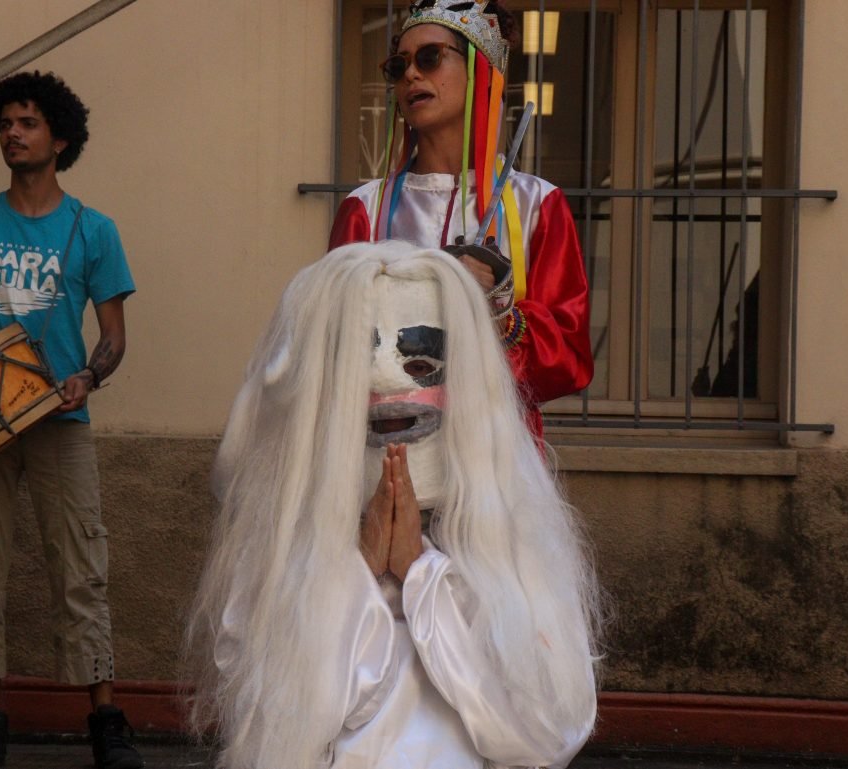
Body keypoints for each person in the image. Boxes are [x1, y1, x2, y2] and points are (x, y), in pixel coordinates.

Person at [185, 241, 601, 769]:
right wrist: (355, 569)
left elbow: (546, 733)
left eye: (420, 361)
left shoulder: (509, 542)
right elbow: (276, 732)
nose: (385, 380)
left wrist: (421, 575)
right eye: (357, 366)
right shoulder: (281, 549)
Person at [0, 71, 142, 769]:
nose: (12, 133)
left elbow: (113, 335)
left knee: (81, 563)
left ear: (60, 138)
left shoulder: (94, 228)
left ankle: (105, 719)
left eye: (27, 123)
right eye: (5, 123)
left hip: (59, 418)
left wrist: (89, 376)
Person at [329, 0, 593, 436]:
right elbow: (332, 349)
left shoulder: (537, 204)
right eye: (399, 65)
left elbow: (569, 360)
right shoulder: (364, 210)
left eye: (430, 58)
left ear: (480, 71)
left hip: (498, 461)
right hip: (389, 451)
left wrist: (496, 308)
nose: (412, 74)